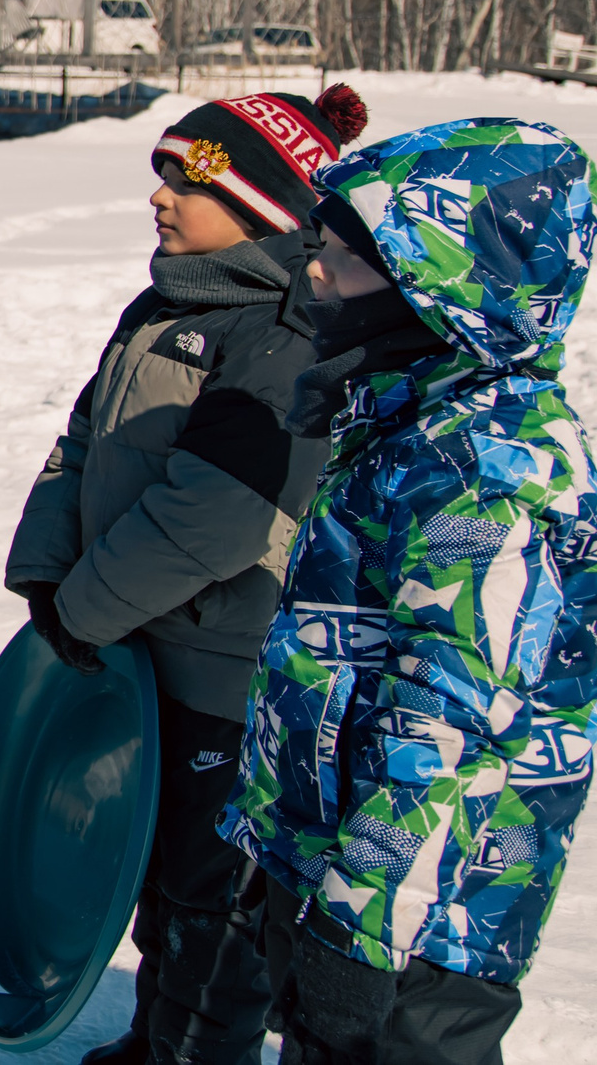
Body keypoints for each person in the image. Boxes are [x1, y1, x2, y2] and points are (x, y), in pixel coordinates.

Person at [221, 118, 596, 1065]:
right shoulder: (411, 418)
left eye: (346, 261)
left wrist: (359, 932)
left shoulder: (493, 472)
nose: (314, 275)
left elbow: (453, 727)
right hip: (345, 878)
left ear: (442, 291)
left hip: (423, 928)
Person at [7, 85, 368, 1065]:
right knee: (152, 869)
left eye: (187, 179)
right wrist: (49, 571)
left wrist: (83, 608)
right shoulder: (163, 301)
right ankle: (151, 1041)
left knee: (215, 901)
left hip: (224, 667)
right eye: (159, 172)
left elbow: (212, 517)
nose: (159, 196)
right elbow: (82, 440)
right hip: (131, 645)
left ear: (260, 205)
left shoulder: (287, 336)